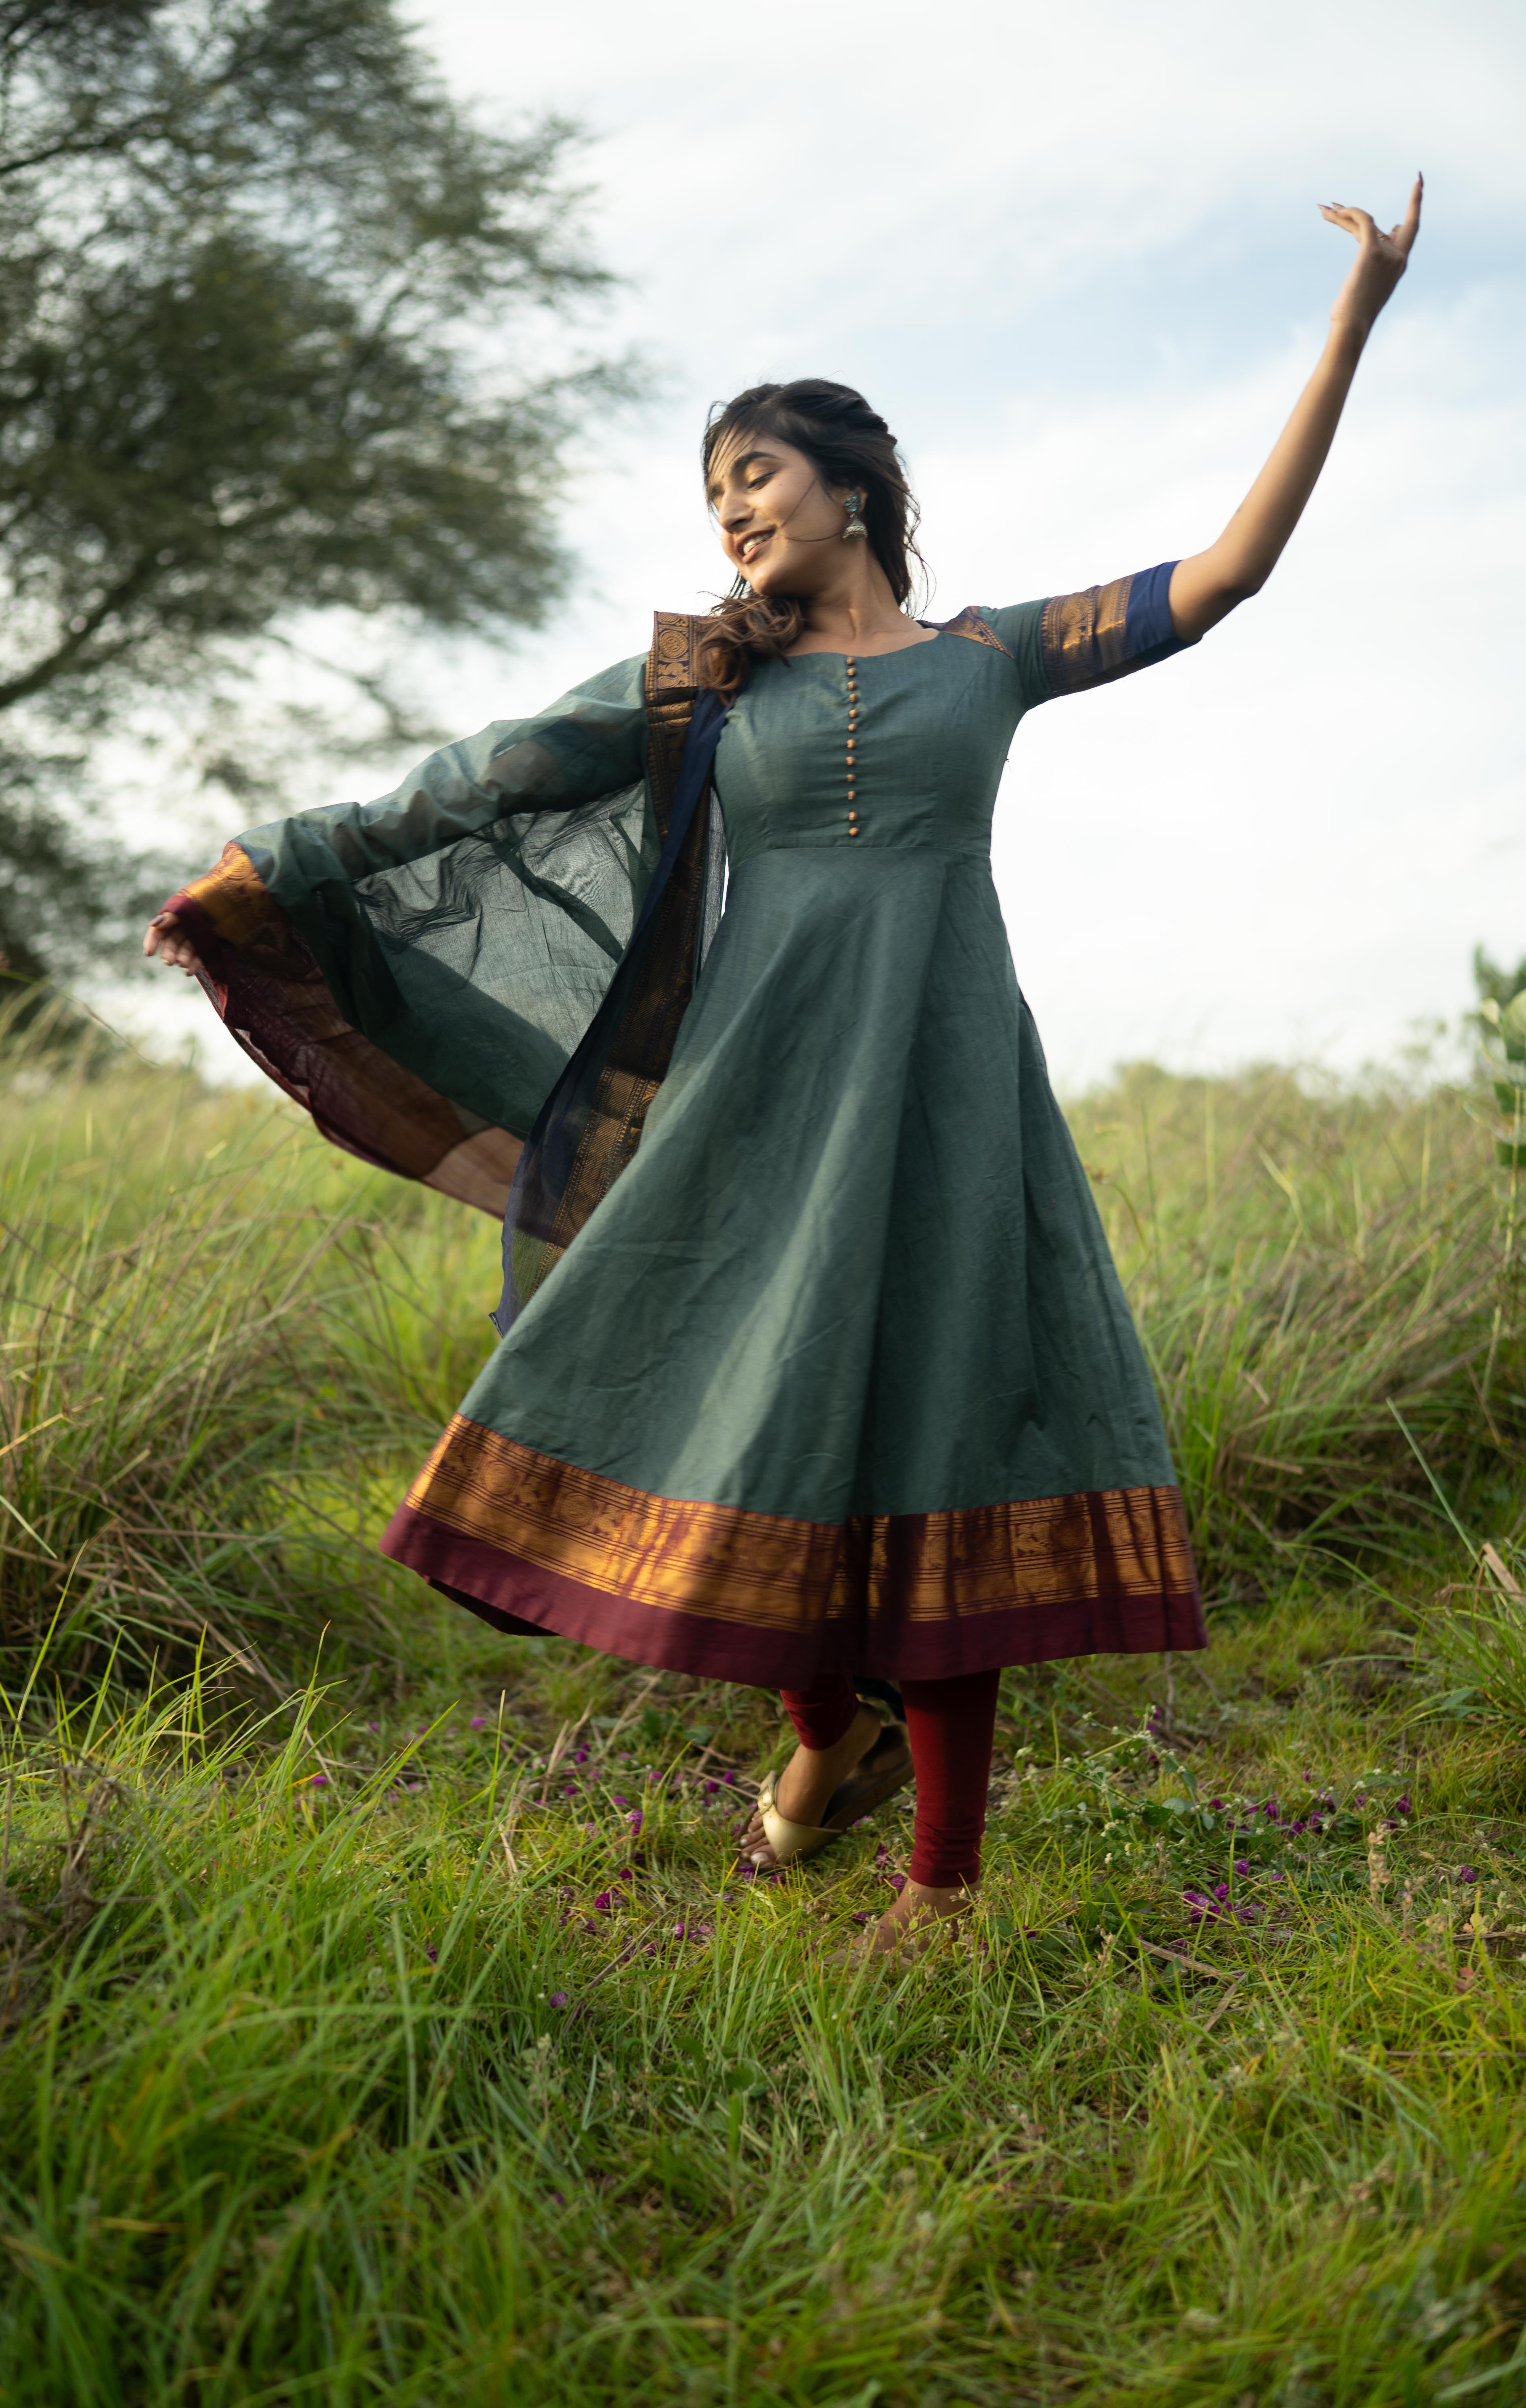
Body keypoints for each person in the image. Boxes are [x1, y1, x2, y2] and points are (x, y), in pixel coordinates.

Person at [148, 183, 1421, 1957]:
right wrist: (272, 865)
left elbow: (1227, 574)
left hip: (949, 1103)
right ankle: (828, 1735)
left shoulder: (992, 659)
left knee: (940, 1433)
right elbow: (483, 776)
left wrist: (1354, 318)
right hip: (750, 1104)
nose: (733, 511)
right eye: (714, 495)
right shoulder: (702, 683)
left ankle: (943, 1885)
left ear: (853, 491)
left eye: (755, 475)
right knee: (732, 1409)